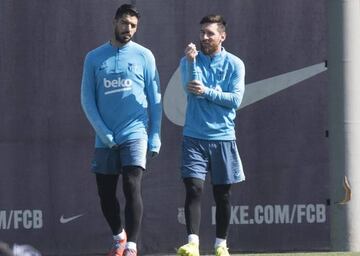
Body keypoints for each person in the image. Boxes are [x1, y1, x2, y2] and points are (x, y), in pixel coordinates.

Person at [81, 4, 162, 256]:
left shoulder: (144, 55)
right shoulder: (94, 57)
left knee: (131, 184)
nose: (129, 29)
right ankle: (118, 237)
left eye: (133, 26)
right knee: (105, 194)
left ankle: (131, 247)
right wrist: (103, 132)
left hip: (135, 132)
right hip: (105, 137)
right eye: (125, 23)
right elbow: (87, 100)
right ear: (115, 21)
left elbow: (155, 96)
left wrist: (155, 134)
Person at [177, 14, 245, 256]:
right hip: (194, 137)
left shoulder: (235, 64)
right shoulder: (188, 61)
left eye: (210, 33)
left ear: (222, 36)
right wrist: (191, 62)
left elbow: (235, 100)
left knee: (223, 195)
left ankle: (220, 245)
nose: (204, 37)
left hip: (224, 138)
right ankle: (193, 243)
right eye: (202, 33)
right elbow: (191, 89)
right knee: (194, 189)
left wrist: (207, 91)